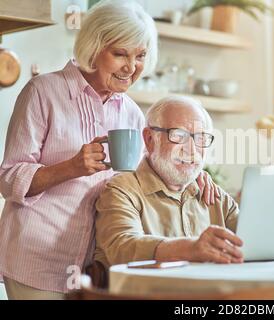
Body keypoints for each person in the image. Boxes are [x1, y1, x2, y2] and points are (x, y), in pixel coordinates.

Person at [0, 0, 217, 300]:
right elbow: (9, 178)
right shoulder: (43, 92)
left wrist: (191, 174)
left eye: (140, 56)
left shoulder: (132, 113)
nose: (131, 67)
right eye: (120, 54)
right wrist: (71, 167)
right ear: (94, 47)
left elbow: (146, 176)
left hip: (96, 267)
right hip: (37, 259)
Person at [95, 96, 244, 268]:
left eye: (200, 138)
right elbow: (123, 247)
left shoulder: (215, 196)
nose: (191, 149)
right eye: (178, 135)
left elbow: (253, 241)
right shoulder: (122, 190)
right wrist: (191, 248)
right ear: (150, 139)